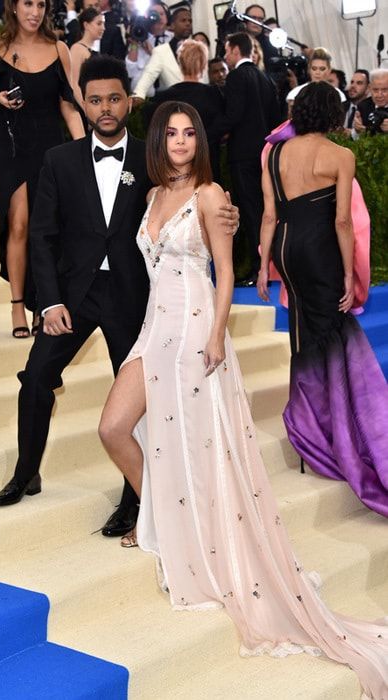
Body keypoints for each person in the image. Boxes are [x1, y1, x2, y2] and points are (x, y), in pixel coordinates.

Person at [98, 98, 388, 698]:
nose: (180, 141)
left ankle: (184, 526)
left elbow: (224, 272)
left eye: (188, 133)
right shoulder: (153, 198)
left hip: (196, 332)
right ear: (158, 142)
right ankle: (164, 514)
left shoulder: (210, 196)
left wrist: (216, 336)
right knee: (112, 428)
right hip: (155, 329)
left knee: (200, 446)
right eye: (170, 133)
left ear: (198, 142)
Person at [0, 55, 239, 537]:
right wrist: (50, 302)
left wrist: (231, 219)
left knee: (135, 403)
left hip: (135, 299)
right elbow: (42, 235)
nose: (105, 108)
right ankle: (26, 472)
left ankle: (133, 501)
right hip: (73, 295)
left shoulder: (155, 156)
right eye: (96, 99)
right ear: (83, 103)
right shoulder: (59, 160)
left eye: (114, 99)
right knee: (36, 375)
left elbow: (197, 204)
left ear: (130, 101)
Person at [257, 81, 388, 517]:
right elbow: (343, 222)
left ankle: (307, 426)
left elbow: (271, 214)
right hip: (320, 250)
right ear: (332, 114)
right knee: (330, 332)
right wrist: (350, 274)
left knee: (303, 333)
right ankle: (325, 429)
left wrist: (263, 269)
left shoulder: (273, 153)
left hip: (286, 251)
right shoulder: (340, 155)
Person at [0, 0, 84, 338]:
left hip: (50, 148)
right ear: (13, 6)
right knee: (19, 223)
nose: (34, 12)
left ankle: (45, 304)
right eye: (28, 4)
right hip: (10, 146)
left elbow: (68, 105)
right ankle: (17, 306)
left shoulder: (59, 48)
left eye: (40, 4)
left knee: (47, 227)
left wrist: (84, 149)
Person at [211, 31, 280, 286]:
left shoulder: (237, 78)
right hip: (263, 155)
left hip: (242, 156)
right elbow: (276, 118)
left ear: (236, 50)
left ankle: (256, 268)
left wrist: (207, 133)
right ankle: (269, 266)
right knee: (264, 210)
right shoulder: (266, 78)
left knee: (251, 212)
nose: (225, 56)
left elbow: (233, 115)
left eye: (227, 51)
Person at [142, 39, 224, 182]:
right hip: (208, 165)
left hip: (171, 168)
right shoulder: (214, 95)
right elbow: (222, 128)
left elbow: (151, 129)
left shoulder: (162, 97)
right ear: (204, 64)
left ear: (179, 63)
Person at [132, 6, 192, 102]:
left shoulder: (199, 49)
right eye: (183, 21)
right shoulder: (161, 51)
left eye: (190, 21)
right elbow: (148, 75)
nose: (188, 24)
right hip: (173, 101)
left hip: (197, 101)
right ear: (172, 25)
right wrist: (138, 95)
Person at [125, 1, 172, 98]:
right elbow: (130, 71)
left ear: (167, 17)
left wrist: (152, 52)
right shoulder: (141, 37)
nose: (158, 17)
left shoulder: (173, 40)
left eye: (162, 14)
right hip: (144, 95)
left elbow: (172, 70)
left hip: (169, 92)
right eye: (154, 14)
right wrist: (134, 43)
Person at [286, 47, 346, 116]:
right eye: (314, 68)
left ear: (329, 70)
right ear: (309, 70)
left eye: (322, 69)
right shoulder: (295, 93)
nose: (317, 72)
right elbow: (290, 121)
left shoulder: (339, 95)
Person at [70, 6, 104, 106]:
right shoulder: (77, 49)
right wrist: (85, 108)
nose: (103, 28)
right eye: (99, 23)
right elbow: (73, 84)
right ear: (86, 25)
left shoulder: (94, 51)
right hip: (85, 108)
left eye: (103, 24)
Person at [353, 68, 388, 137]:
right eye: (375, 90)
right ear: (369, 88)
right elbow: (354, 139)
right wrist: (357, 131)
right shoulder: (363, 106)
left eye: (384, 90)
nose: (379, 95)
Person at [344, 69, 369, 134]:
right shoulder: (340, 106)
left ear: (368, 88)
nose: (353, 86)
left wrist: (355, 133)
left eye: (359, 83)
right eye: (352, 82)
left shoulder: (371, 110)